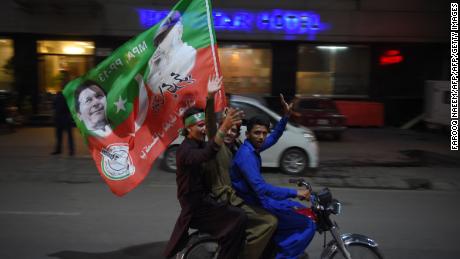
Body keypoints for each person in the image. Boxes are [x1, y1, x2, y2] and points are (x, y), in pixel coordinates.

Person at [230, 95, 316, 259]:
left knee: (293, 207)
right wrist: (295, 192)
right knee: (307, 224)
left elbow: (275, 136)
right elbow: (261, 188)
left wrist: (286, 116)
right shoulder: (246, 155)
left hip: (258, 199)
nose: (262, 137)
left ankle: (275, 248)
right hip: (253, 202)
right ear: (247, 134)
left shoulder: (254, 147)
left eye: (264, 133)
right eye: (257, 133)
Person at [202, 77, 278, 259]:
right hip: (226, 200)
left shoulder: (236, 147)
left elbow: (264, 141)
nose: (229, 132)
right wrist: (210, 98)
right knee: (269, 222)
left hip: (239, 195)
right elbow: (211, 125)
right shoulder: (217, 147)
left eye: (234, 130)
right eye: (226, 128)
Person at [164, 104, 247, 259]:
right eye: (200, 126)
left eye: (204, 125)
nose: (204, 130)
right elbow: (206, 154)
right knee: (239, 217)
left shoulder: (200, 143)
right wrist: (224, 127)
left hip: (206, 201)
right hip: (196, 208)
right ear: (188, 128)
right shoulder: (185, 150)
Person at [51, 72, 75, 155]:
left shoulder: (69, 94)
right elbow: (54, 105)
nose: (62, 84)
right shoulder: (58, 94)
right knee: (58, 135)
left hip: (65, 117)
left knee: (69, 135)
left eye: (63, 83)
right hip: (58, 117)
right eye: (62, 83)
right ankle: (58, 149)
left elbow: (71, 105)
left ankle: (71, 150)